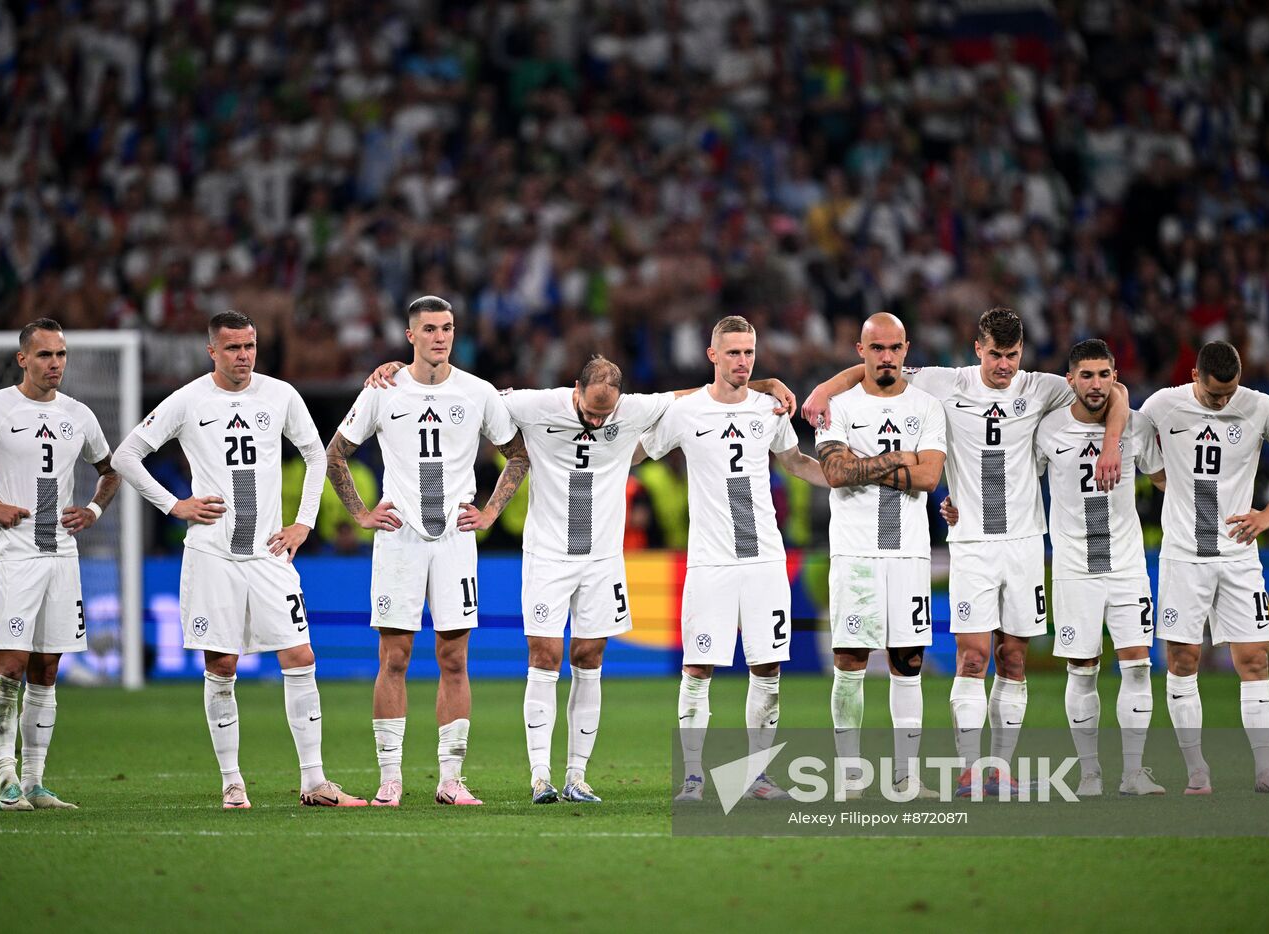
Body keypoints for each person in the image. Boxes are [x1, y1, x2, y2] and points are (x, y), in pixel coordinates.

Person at [363, 353, 796, 806]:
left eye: (604, 415)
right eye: (589, 411)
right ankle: (539, 777)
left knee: (589, 656)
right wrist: (401, 371)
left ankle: (577, 776)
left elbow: (705, 394)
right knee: (544, 655)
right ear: (574, 388)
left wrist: (763, 383)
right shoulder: (533, 405)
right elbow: (468, 395)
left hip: (602, 559)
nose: (595, 420)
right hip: (547, 556)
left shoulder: (636, 409)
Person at [803, 307, 1126, 797]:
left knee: (1013, 658)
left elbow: (1114, 393)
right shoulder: (945, 384)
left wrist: (1112, 447)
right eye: (995, 355)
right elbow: (876, 365)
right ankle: (969, 769)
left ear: (1022, 353)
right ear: (977, 349)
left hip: (1023, 543)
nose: (1003, 366)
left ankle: (999, 769)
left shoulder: (1042, 387)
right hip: (970, 544)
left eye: (1012, 356)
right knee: (973, 658)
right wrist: (826, 390)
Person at [112, 310, 364, 809]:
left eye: (249, 346)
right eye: (232, 348)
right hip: (212, 555)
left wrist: (304, 523)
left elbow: (317, 456)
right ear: (212, 351)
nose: (243, 356)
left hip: (269, 554)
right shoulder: (188, 400)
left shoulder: (280, 394)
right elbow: (126, 456)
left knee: (300, 657)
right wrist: (174, 504)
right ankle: (232, 782)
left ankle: (314, 781)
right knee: (221, 664)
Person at [944, 339, 1168, 796]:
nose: (1097, 384)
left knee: (1138, 667)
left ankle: (1132, 773)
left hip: (1128, 567)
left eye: (1105, 375)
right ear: (1070, 381)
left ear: (1114, 377)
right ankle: (1087, 774)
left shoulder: (1138, 427)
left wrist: (1113, 443)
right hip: (1070, 567)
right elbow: (1009, 471)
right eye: (1086, 375)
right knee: (1080, 670)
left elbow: (1167, 482)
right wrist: (959, 501)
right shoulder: (1047, 430)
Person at [328, 295, 526, 808]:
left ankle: (450, 779)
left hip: (456, 540)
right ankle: (389, 778)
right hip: (399, 539)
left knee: (454, 658)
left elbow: (518, 456)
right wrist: (361, 513)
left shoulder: (478, 392)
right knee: (394, 657)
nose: (441, 337)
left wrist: (489, 512)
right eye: (431, 329)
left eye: (449, 328)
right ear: (410, 336)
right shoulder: (383, 389)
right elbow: (335, 454)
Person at [0, 318, 119, 811]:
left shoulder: (79, 414)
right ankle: (6, 779)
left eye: (61, 355)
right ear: (23, 360)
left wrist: (93, 509)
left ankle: (35, 782)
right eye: (45, 356)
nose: (55, 364)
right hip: (15, 554)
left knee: (47, 668)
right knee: (9, 665)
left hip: (62, 554)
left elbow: (110, 468)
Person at [639, 316, 827, 803]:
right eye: (734, 353)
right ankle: (695, 778)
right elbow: (638, 452)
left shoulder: (770, 408)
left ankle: (756, 775)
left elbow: (796, 462)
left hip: (765, 560)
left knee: (767, 669)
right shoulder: (685, 412)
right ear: (713, 356)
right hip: (709, 563)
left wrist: (853, 478)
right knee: (698, 669)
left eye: (749, 353)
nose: (743, 361)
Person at [1140, 340, 1269, 794]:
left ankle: (1265, 772)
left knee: (1255, 659)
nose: (1224, 401)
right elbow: (1132, 441)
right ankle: (1197, 771)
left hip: (1239, 556)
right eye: (1216, 394)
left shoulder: (1259, 406)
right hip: (1184, 557)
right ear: (1196, 377)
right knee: (1182, 659)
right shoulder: (1163, 405)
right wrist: (1165, 479)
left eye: (1231, 392)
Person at [812, 313, 946, 799]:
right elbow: (836, 473)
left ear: (906, 349)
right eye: (877, 348)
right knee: (850, 658)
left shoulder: (927, 406)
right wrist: (902, 458)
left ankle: (906, 777)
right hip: (856, 554)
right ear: (860, 350)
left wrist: (864, 465)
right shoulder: (837, 406)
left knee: (908, 661)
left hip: (910, 555)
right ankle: (850, 776)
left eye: (894, 348)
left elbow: (931, 478)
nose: (886, 356)